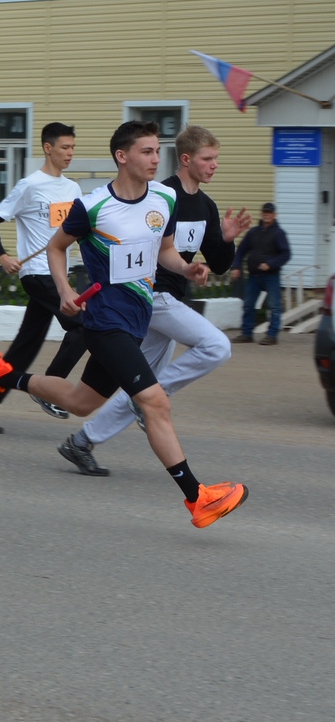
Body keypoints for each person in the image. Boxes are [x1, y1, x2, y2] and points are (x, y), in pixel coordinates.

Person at [0, 121, 249, 528]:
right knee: (155, 402)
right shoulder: (93, 205)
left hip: (138, 317)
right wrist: (63, 290)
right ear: (123, 156)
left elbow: (164, 250)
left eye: (156, 152)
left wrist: (187, 269)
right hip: (105, 321)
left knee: (82, 401)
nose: (154, 159)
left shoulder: (164, 199)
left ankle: (2, 377)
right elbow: (57, 246)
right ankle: (197, 497)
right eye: (147, 152)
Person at [58, 125, 250, 475]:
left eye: (216, 159)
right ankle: (149, 402)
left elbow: (217, 263)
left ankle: (82, 440)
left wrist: (224, 239)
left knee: (139, 385)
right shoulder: (161, 192)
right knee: (216, 346)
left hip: (162, 301)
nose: (214, 166)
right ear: (188, 159)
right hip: (153, 296)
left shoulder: (205, 204)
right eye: (208, 159)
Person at [0, 121, 89, 433]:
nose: (70, 153)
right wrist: (3, 256)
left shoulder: (73, 189)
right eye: (65, 147)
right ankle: (50, 388)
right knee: (82, 328)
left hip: (61, 273)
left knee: (26, 344)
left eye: (73, 147)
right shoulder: (30, 186)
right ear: (48, 148)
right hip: (37, 273)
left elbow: (77, 232)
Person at [232, 203, 291, 345]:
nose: (267, 214)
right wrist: (236, 266)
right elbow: (241, 250)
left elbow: (286, 254)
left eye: (269, 212)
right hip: (254, 276)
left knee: (274, 306)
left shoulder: (278, 233)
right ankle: (246, 334)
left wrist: (271, 264)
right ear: (261, 213)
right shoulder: (253, 232)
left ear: (274, 215)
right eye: (265, 212)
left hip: (271, 276)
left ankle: (271, 335)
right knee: (248, 305)